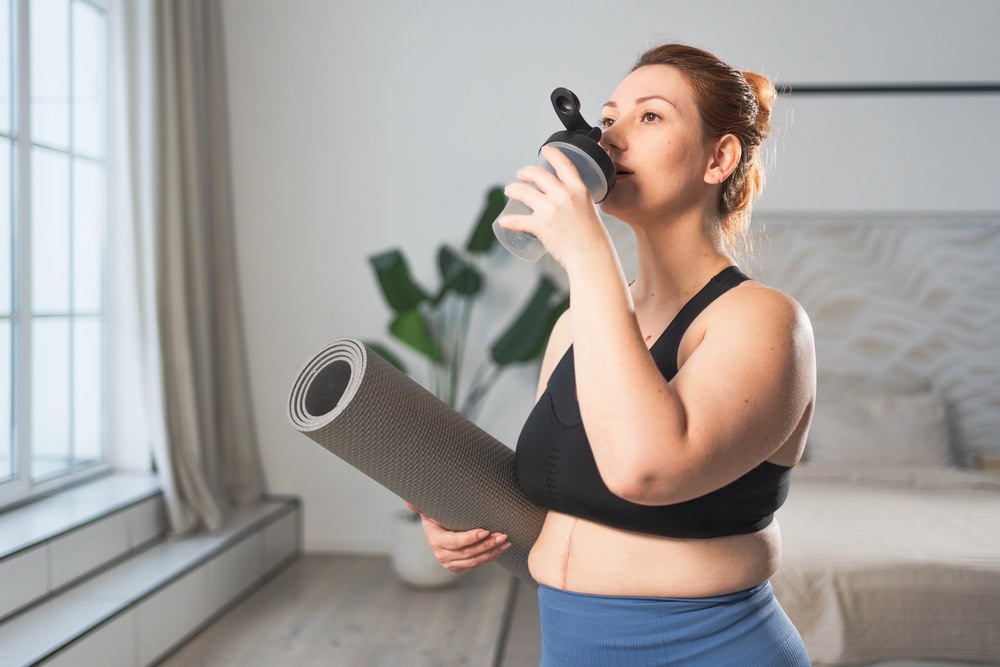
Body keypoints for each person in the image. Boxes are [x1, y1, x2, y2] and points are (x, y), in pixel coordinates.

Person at [409, 43, 815, 666]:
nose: (610, 137)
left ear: (719, 159)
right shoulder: (576, 323)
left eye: (650, 116)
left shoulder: (765, 321)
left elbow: (644, 471)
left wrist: (586, 253)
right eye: (607, 118)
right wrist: (460, 517)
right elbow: (558, 495)